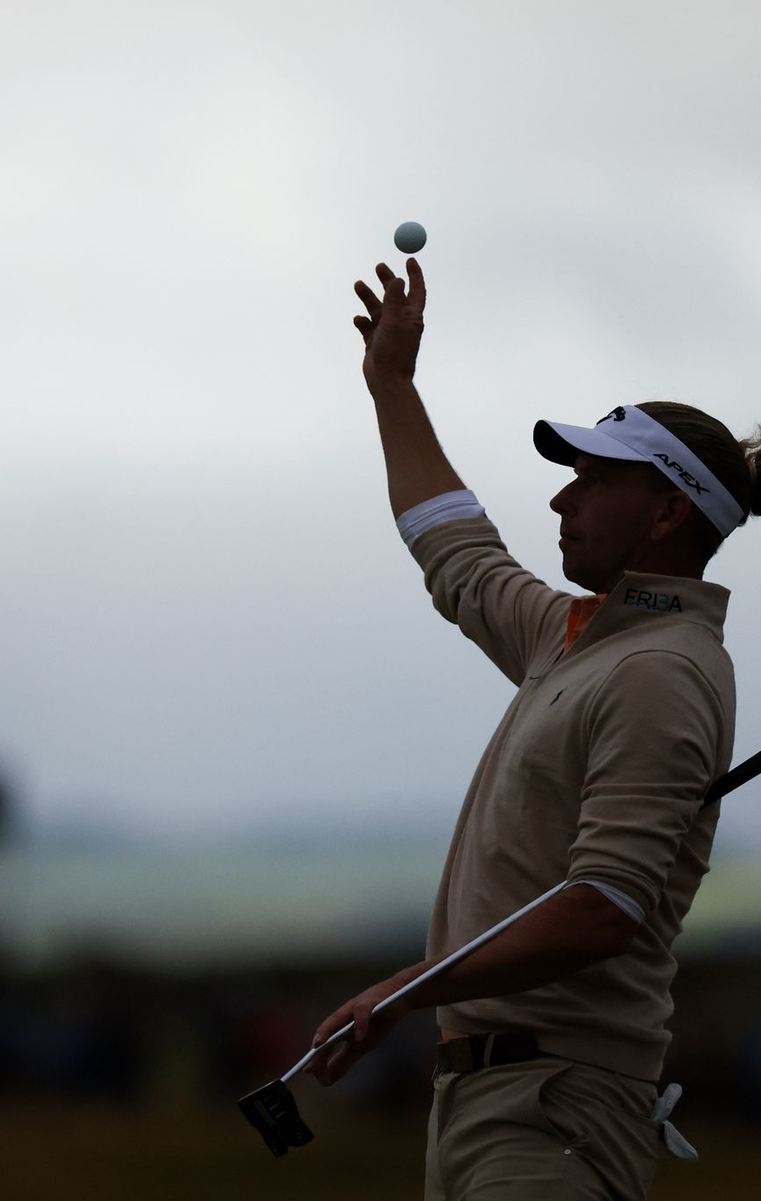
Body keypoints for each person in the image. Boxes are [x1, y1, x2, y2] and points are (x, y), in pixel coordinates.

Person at [307, 258, 761, 1200]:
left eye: (594, 480)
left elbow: (606, 906)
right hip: (496, 1102)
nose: (561, 498)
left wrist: (405, 989)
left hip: (557, 1107)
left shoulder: (663, 671)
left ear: (670, 510)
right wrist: (393, 387)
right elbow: (457, 550)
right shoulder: (579, 638)